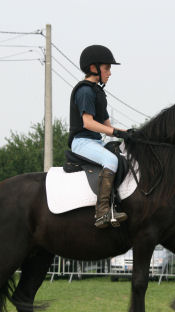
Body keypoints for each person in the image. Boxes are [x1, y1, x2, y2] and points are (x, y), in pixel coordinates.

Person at [68, 44, 129, 228]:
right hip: (81, 142)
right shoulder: (85, 90)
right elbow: (88, 122)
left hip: (96, 142)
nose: (109, 73)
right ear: (94, 68)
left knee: (123, 155)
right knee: (111, 161)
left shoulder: (98, 92)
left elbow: (108, 127)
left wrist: (129, 134)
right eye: (107, 68)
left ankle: (115, 203)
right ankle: (102, 211)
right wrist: (116, 133)